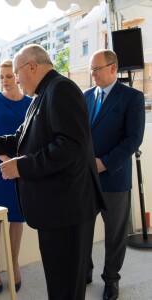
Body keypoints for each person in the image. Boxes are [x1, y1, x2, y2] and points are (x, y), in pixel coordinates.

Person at [0, 44, 105, 300]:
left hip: (68, 209)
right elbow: (17, 140)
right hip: (57, 208)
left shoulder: (61, 90)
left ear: (32, 67)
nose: (16, 80)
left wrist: (21, 166)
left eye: (17, 73)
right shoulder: (41, 96)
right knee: (59, 281)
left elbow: (71, 146)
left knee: (66, 285)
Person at [84, 49, 145, 300]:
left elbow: (133, 139)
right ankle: (83, 270)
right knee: (82, 229)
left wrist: (105, 164)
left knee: (115, 234)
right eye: (91, 68)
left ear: (112, 68)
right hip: (85, 178)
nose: (93, 73)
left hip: (114, 178)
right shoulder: (85, 96)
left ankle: (111, 280)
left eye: (97, 68)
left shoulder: (132, 97)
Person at [0, 59, 32, 293]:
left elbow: (34, 137)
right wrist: (6, 161)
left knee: (18, 216)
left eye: (9, 76)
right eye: (1, 77)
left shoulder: (31, 103)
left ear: (18, 76)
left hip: (21, 166)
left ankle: (14, 264)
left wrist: (19, 163)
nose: (5, 80)